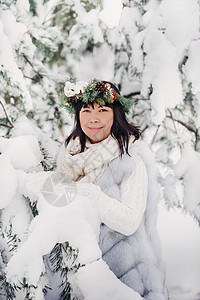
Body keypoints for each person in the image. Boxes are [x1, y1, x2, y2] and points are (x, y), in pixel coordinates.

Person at [45, 78, 169, 300]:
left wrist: (89, 193)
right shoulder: (68, 155)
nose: (94, 118)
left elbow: (130, 221)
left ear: (116, 114)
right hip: (79, 280)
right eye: (86, 110)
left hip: (126, 279)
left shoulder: (130, 158)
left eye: (102, 109)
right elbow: (55, 204)